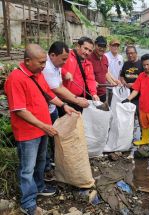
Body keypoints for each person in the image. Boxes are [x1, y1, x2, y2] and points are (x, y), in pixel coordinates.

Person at [4, 44, 77, 215]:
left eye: (45, 62)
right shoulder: (16, 79)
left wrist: (64, 105)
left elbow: (48, 94)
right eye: (41, 62)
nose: (44, 66)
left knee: (41, 161)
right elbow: (20, 110)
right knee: (27, 169)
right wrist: (43, 125)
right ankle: (28, 203)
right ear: (27, 61)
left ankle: (39, 186)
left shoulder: (37, 74)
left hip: (43, 129)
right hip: (27, 133)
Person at [42, 41, 89, 179]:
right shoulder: (47, 68)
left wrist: (65, 71)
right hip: (43, 110)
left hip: (52, 108)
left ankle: (54, 160)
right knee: (44, 140)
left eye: (67, 58)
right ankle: (45, 169)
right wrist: (76, 99)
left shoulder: (55, 64)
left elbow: (59, 78)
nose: (65, 62)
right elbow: (58, 90)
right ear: (52, 55)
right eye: (63, 59)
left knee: (54, 136)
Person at [122, 54, 149, 154]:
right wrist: (128, 99)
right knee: (144, 125)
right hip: (142, 107)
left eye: (148, 64)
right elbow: (136, 90)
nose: (146, 67)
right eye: (144, 65)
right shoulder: (141, 76)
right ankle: (145, 139)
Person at [61, 36, 99, 112]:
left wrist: (94, 94)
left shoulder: (88, 64)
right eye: (85, 48)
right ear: (78, 46)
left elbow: (90, 80)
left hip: (80, 99)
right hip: (65, 98)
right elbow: (54, 66)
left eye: (90, 51)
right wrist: (64, 72)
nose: (87, 52)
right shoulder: (67, 56)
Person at [88, 36, 120, 102]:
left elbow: (105, 72)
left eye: (104, 46)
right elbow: (84, 76)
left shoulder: (105, 58)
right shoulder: (89, 58)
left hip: (103, 92)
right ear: (95, 45)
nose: (102, 49)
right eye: (99, 46)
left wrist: (113, 81)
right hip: (91, 94)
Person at [120, 45, 144, 131]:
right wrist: (123, 82)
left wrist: (134, 84)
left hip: (140, 96)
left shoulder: (142, 64)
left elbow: (146, 80)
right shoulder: (126, 64)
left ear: (136, 53)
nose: (130, 55)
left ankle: (144, 136)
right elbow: (122, 75)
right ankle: (131, 134)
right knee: (129, 116)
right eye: (128, 53)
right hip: (127, 94)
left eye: (132, 53)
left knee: (141, 116)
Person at [105, 38, 123, 105]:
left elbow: (120, 71)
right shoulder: (105, 56)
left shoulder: (120, 57)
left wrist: (120, 81)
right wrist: (114, 81)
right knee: (107, 104)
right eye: (113, 45)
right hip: (107, 85)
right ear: (109, 46)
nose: (116, 47)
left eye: (117, 46)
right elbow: (106, 71)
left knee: (115, 104)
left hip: (117, 85)